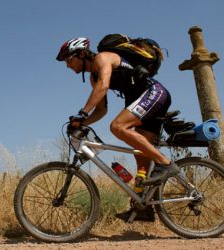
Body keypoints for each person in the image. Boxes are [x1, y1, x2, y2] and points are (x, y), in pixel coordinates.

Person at [56, 37, 179, 222]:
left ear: (81, 54)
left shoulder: (103, 58)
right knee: (142, 158)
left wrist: (82, 113)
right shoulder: (93, 77)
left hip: (153, 93)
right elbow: (101, 110)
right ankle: (143, 207)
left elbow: (104, 86)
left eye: (68, 59)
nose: (67, 65)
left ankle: (166, 165)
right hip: (141, 101)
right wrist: (84, 122)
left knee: (117, 127)